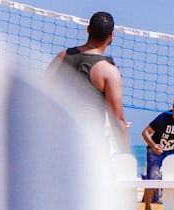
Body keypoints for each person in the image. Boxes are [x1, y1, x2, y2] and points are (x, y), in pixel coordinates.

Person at [45, 11, 128, 152]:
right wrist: (126, 156)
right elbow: (117, 120)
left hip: (56, 139)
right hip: (88, 144)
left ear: (88, 29)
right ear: (111, 36)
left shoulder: (62, 56)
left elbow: (43, 93)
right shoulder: (109, 71)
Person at [141, 96, 174, 210]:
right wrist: (153, 146)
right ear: (173, 106)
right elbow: (145, 132)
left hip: (172, 151)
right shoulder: (163, 117)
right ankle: (147, 207)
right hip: (155, 151)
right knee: (152, 179)